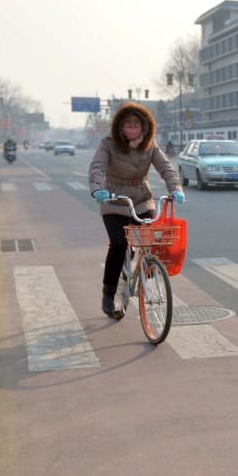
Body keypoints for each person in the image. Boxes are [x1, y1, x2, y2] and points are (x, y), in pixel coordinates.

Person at [89, 102, 185, 318]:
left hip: (142, 199)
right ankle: (109, 293)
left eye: (136, 124)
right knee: (119, 243)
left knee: (155, 239)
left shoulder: (150, 146)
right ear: (120, 127)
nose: (132, 128)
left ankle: (146, 268)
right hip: (114, 200)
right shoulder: (108, 144)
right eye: (128, 124)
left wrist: (176, 188)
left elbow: (167, 168)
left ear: (144, 127)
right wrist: (97, 189)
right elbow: (97, 167)